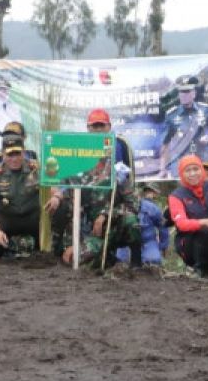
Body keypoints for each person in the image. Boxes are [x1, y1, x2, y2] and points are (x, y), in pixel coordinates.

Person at [46, 108, 141, 266]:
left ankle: (137, 265)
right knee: (73, 259)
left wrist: (106, 214)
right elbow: (66, 191)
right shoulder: (78, 167)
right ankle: (107, 260)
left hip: (112, 224)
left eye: (101, 126)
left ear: (108, 127)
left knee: (132, 221)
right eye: (94, 126)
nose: (97, 130)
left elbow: (133, 203)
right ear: (88, 129)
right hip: (90, 231)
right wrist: (57, 195)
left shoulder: (118, 170)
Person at [0, 133, 41, 254]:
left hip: (33, 217)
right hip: (8, 217)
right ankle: (5, 248)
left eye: (17, 154)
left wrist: (56, 197)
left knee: (59, 211)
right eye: (10, 154)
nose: (14, 159)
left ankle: (45, 249)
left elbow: (53, 189)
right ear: (3, 154)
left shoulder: (36, 169)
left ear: (23, 152)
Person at [159, 77, 208, 178]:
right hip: (181, 164)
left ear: (194, 94)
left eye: (187, 92)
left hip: (202, 160)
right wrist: (162, 169)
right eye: (181, 92)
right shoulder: (172, 114)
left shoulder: (204, 109)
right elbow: (165, 143)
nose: (184, 96)